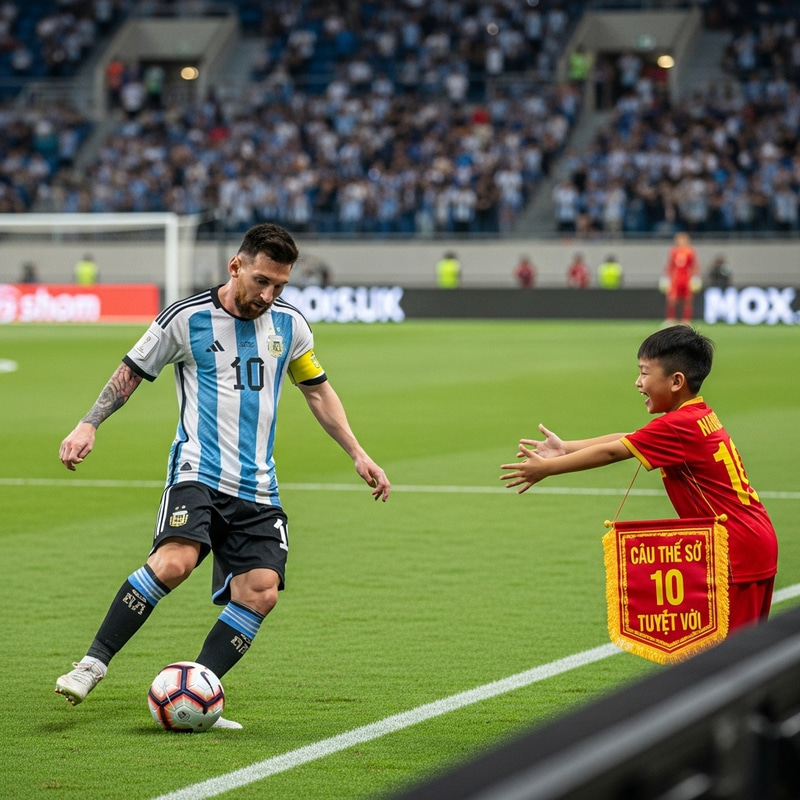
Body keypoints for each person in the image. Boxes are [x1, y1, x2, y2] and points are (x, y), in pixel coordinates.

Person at [55, 223, 391, 727]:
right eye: (261, 280)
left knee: (261, 591)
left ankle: (198, 693)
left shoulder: (291, 325)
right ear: (236, 266)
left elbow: (317, 390)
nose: (268, 294)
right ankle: (92, 663)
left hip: (258, 484)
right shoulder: (184, 319)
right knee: (174, 563)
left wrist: (357, 452)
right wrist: (89, 422)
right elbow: (131, 371)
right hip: (198, 470)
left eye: (279, 285)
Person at [500, 325, 777, 633]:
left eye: (645, 373)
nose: (638, 382)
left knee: (729, 659)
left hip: (736, 550)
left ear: (676, 381)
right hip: (749, 540)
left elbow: (612, 453)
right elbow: (631, 439)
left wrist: (548, 468)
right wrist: (565, 448)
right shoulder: (694, 415)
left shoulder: (677, 426)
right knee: (736, 651)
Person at [663, 232, 700, 324]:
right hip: (676, 279)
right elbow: (670, 265)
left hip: (686, 278)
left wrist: (695, 278)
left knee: (687, 300)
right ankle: (671, 320)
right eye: (679, 239)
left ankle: (686, 321)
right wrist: (667, 278)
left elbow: (694, 265)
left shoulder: (690, 251)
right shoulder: (674, 251)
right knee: (672, 300)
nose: (681, 241)